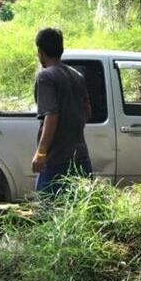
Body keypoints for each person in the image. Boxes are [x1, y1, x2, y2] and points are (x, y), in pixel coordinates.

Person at [32, 27, 93, 195]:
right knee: (79, 211)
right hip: (80, 156)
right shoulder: (77, 76)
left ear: (41, 52)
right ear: (61, 50)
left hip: (56, 159)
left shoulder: (46, 77)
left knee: (48, 213)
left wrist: (41, 152)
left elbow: (51, 116)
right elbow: (87, 111)